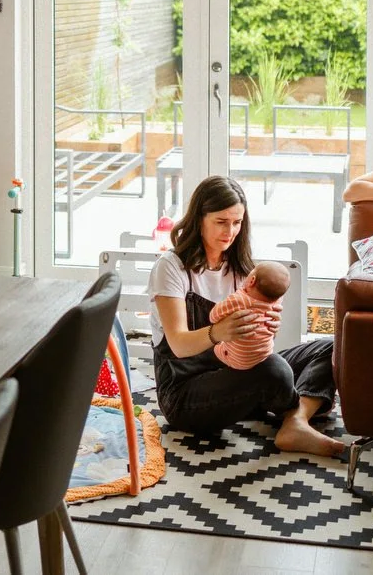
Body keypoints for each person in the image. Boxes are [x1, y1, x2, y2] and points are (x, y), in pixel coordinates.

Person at [147, 176, 342, 456]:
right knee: (274, 371)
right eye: (221, 221)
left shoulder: (241, 269)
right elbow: (178, 344)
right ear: (199, 218)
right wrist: (218, 332)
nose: (230, 231)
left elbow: (255, 347)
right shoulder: (172, 267)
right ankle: (295, 411)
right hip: (185, 393)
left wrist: (267, 328)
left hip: (235, 371)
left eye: (237, 222)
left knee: (332, 347)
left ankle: (295, 421)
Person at [208, 260, 289, 370]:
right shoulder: (276, 302)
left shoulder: (239, 300)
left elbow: (213, 316)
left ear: (251, 280)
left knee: (216, 348)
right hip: (264, 355)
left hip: (237, 360)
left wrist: (239, 293)